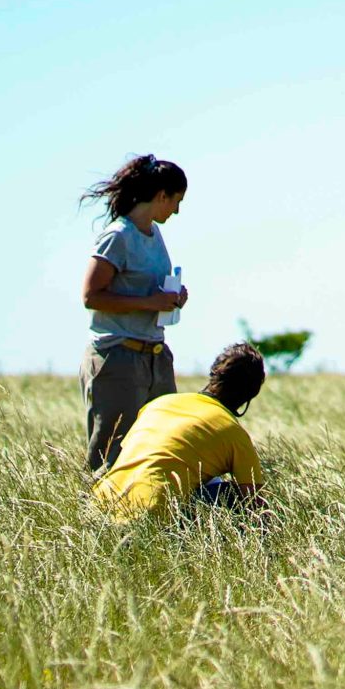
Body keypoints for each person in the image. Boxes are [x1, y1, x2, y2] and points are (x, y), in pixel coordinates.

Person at [78, 154, 191, 471]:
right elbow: (91, 296)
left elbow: (147, 291)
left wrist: (172, 298)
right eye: (176, 201)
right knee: (110, 456)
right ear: (161, 196)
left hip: (154, 355)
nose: (177, 210)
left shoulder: (155, 235)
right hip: (118, 357)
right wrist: (150, 302)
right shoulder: (118, 236)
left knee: (162, 445)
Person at [93, 343, 267, 520]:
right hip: (150, 520)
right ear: (251, 394)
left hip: (98, 510)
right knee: (232, 495)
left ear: (213, 373)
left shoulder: (157, 405)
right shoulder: (233, 433)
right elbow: (255, 505)